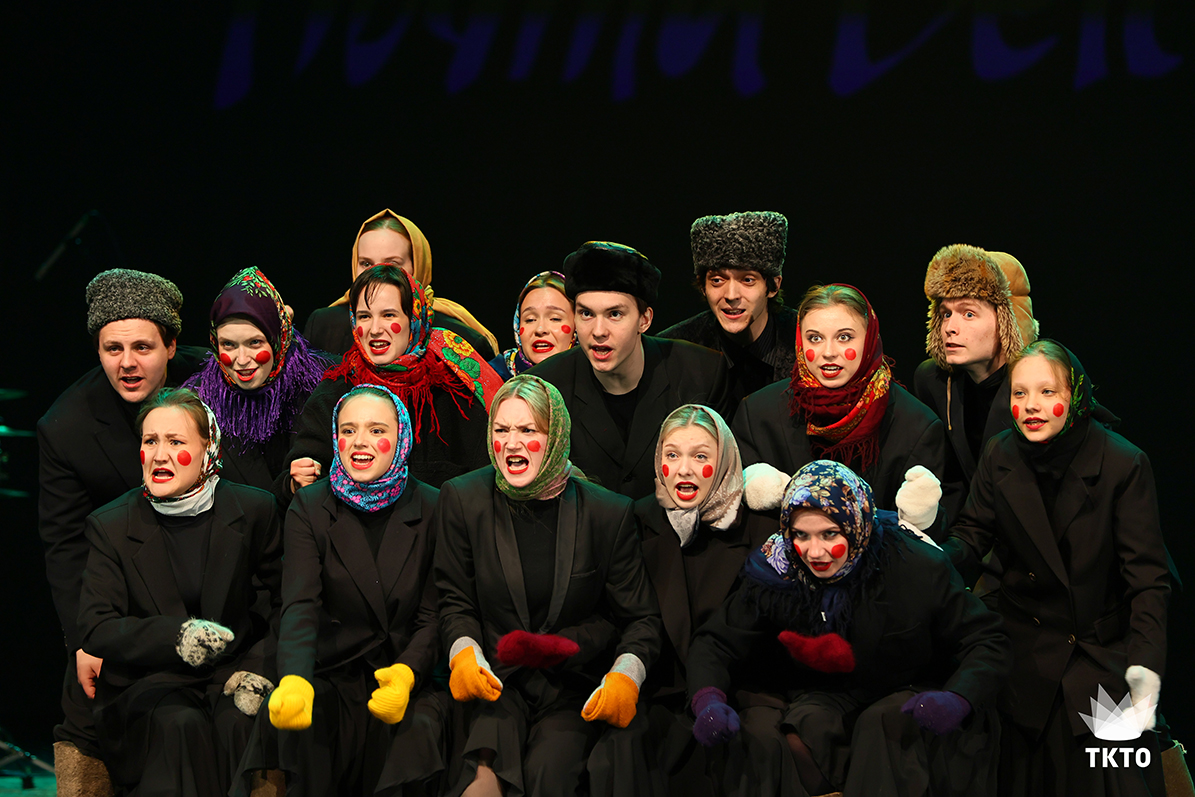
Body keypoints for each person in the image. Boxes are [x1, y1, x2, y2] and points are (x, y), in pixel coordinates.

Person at [686, 459, 1010, 796]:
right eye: (801, 535)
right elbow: (716, 642)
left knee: (882, 726)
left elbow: (987, 639)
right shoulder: (777, 568)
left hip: (915, 690)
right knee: (792, 734)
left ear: (855, 525)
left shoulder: (915, 564)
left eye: (829, 534)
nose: (815, 552)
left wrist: (958, 698)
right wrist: (707, 700)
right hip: (831, 696)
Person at [943, 340, 1171, 795]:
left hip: (1096, 656)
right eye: (1020, 393)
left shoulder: (1122, 463)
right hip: (1024, 653)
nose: (1031, 405)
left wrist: (1145, 667)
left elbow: (1148, 581)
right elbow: (971, 536)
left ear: (1076, 395)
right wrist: (926, 552)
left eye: (1047, 392)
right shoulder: (1000, 453)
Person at [434, 374, 662, 797]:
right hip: (494, 680)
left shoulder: (607, 513)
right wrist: (464, 654)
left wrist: (625, 676)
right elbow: (454, 599)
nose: (512, 443)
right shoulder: (463, 499)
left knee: (549, 774)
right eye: (502, 430)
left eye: (528, 430)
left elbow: (640, 619)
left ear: (555, 436)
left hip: (569, 687)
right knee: (482, 776)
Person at [37, 268, 206, 787]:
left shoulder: (212, 383)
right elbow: (66, 549)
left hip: (209, 584)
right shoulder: (66, 427)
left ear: (171, 346)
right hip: (125, 601)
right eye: (113, 348)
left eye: (142, 347)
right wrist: (85, 640)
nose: (127, 363)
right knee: (86, 705)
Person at [234, 385, 447, 796]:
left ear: (402, 438)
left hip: (406, 674)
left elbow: (434, 614)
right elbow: (299, 605)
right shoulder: (310, 506)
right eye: (348, 431)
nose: (359, 442)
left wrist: (407, 673)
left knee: (417, 730)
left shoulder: (435, 507)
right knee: (306, 725)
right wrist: (295, 678)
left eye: (376, 430)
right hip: (334, 668)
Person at [77, 388, 283, 796]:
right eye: (151, 441)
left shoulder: (254, 509)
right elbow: (96, 626)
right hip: (149, 682)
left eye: (175, 442)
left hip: (230, 673)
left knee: (237, 723)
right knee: (180, 725)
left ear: (209, 449)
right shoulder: (111, 525)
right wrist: (176, 636)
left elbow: (285, 603)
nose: (159, 455)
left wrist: (259, 668)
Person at [617, 404, 777, 794]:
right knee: (624, 747)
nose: (684, 469)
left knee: (757, 745)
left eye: (700, 456)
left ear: (724, 462)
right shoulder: (636, 521)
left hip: (743, 692)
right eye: (672, 455)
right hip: (663, 693)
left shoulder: (762, 530)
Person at [732, 283, 959, 533]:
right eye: (815, 338)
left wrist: (923, 516)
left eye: (844, 337)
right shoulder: (758, 413)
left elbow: (934, 534)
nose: (828, 352)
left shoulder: (917, 426)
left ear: (870, 339)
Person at [281, 265, 501, 502]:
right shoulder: (335, 391)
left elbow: (485, 483)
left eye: (389, 315)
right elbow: (294, 482)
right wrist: (296, 481)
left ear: (414, 319)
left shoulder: (453, 390)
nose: (375, 330)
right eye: (364, 316)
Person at [528, 241, 729, 499]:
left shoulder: (702, 373)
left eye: (614, 314)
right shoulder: (546, 387)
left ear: (645, 319)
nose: (598, 331)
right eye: (587, 314)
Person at [184, 267, 333, 491]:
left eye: (254, 343)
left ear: (279, 337)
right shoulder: (198, 401)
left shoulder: (325, 381)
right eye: (228, 345)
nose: (242, 360)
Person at [913, 243, 1039, 490]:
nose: (950, 328)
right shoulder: (932, 381)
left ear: (1006, 321)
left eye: (968, 314)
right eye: (946, 314)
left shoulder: (1042, 382)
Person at [305, 209, 499, 358]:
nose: (377, 275)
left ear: (418, 267)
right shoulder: (324, 326)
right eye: (366, 264)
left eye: (391, 264)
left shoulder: (459, 338)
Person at [660, 211, 798, 407]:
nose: (731, 295)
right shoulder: (672, 351)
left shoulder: (806, 342)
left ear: (773, 286)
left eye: (747, 280)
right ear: (703, 286)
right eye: (717, 280)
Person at [488, 270, 576, 380]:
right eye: (530, 320)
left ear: (576, 326)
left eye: (555, 318)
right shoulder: (492, 376)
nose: (540, 329)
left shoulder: (592, 378)